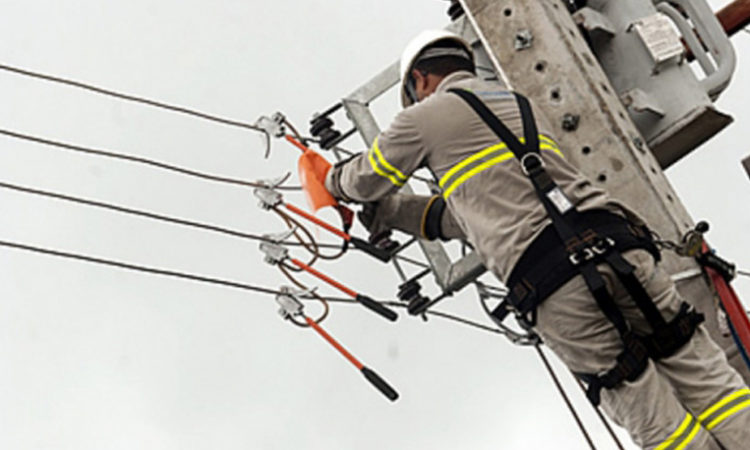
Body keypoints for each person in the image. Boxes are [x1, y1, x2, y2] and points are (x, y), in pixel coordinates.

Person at [324, 30, 750, 449]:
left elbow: (365, 179)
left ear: (420, 80)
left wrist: (328, 180)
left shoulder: (423, 116)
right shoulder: (517, 104)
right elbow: (472, 214)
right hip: (619, 246)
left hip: (553, 280)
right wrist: (395, 213)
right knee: (708, 379)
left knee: (647, 409)